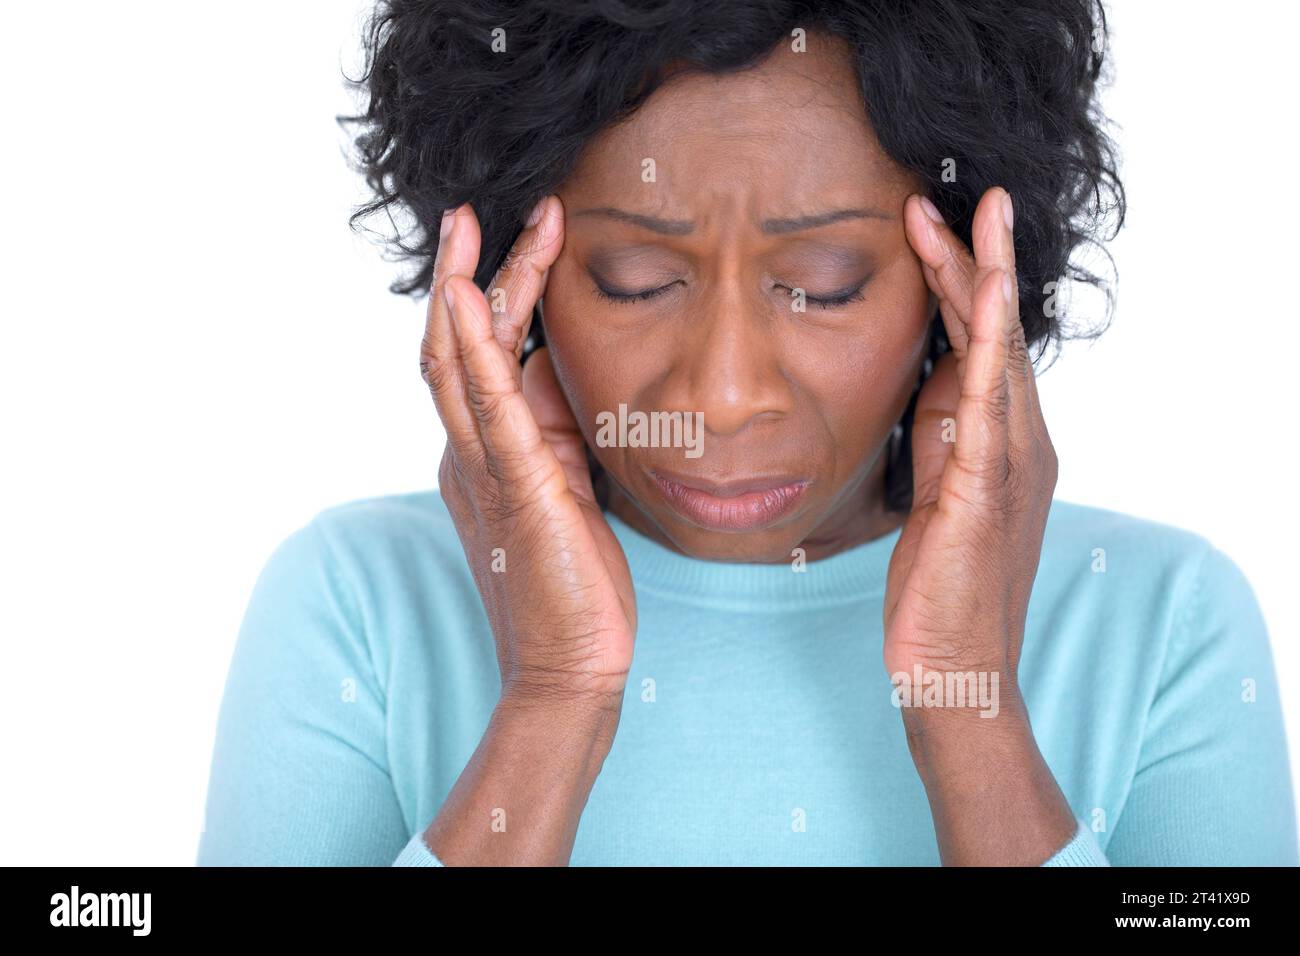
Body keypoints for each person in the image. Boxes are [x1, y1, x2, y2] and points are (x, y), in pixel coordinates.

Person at [197, 0, 1297, 866]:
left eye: (822, 284)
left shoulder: (1163, 624)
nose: (720, 396)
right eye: (633, 280)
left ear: (962, 282)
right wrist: (553, 696)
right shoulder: (355, 604)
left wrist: (971, 701)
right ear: (501, 288)